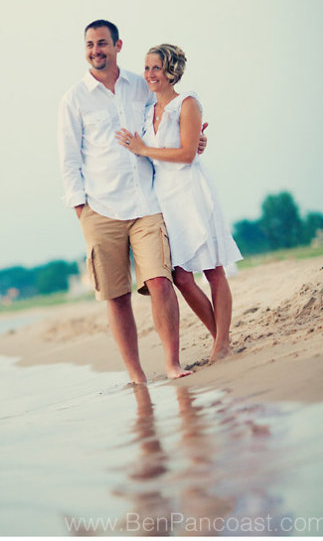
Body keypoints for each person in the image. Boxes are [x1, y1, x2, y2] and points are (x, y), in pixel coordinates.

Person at [58, 20, 206, 383]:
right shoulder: (74, 99)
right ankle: (136, 375)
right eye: (90, 45)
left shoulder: (142, 86)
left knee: (160, 281)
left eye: (103, 43)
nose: (96, 51)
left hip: (148, 203)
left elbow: (169, 120)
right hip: (100, 210)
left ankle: (172, 363)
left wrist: (193, 143)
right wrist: (81, 210)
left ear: (118, 45)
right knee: (117, 296)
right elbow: (69, 160)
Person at [115, 44, 242, 364]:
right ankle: (221, 341)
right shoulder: (146, 111)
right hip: (166, 200)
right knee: (182, 277)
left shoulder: (187, 104)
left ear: (171, 71)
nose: (149, 74)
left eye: (156, 68)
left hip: (192, 192)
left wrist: (143, 150)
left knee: (214, 270)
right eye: (146, 68)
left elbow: (187, 154)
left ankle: (222, 344)